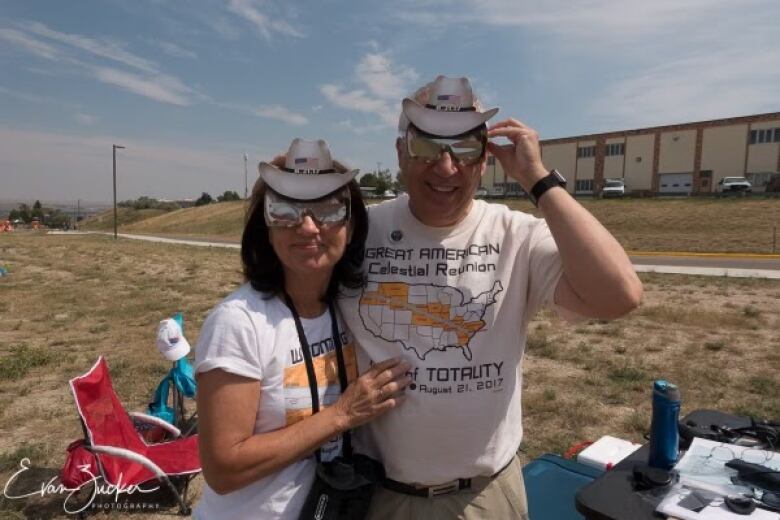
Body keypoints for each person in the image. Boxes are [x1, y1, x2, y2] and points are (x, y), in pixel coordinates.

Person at [338, 76, 644, 519]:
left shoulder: (515, 234)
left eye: (464, 148)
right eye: (427, 146)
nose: (446, 167)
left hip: (485, 494)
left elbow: (620, 295)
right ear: (401, 151)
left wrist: (536, 179)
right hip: (381, 494)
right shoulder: (358, 232)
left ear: (486, 159)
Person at [194, 138, 411, 519]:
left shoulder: (350, 309)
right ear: (265, 225)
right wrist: (341, 415)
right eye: (286, 210)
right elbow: (223, 469)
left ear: (351, 222)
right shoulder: (239, 322)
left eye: (328, 209)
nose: (309, 227)